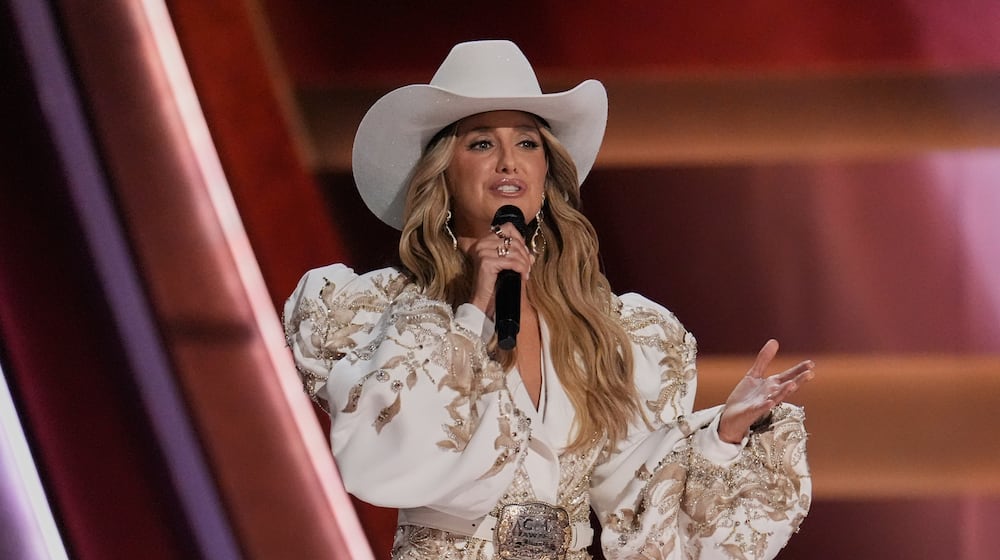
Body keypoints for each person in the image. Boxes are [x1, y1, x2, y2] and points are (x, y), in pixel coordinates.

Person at [283, 40, 815, 560]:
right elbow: (387, 459)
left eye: (527, 143)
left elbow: (635, 503)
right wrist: (471, 309)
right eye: (481, 143)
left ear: (545, 174)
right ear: (443, 169)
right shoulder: (381, 314)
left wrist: (724, 435)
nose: (509, 162)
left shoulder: (607, 328)